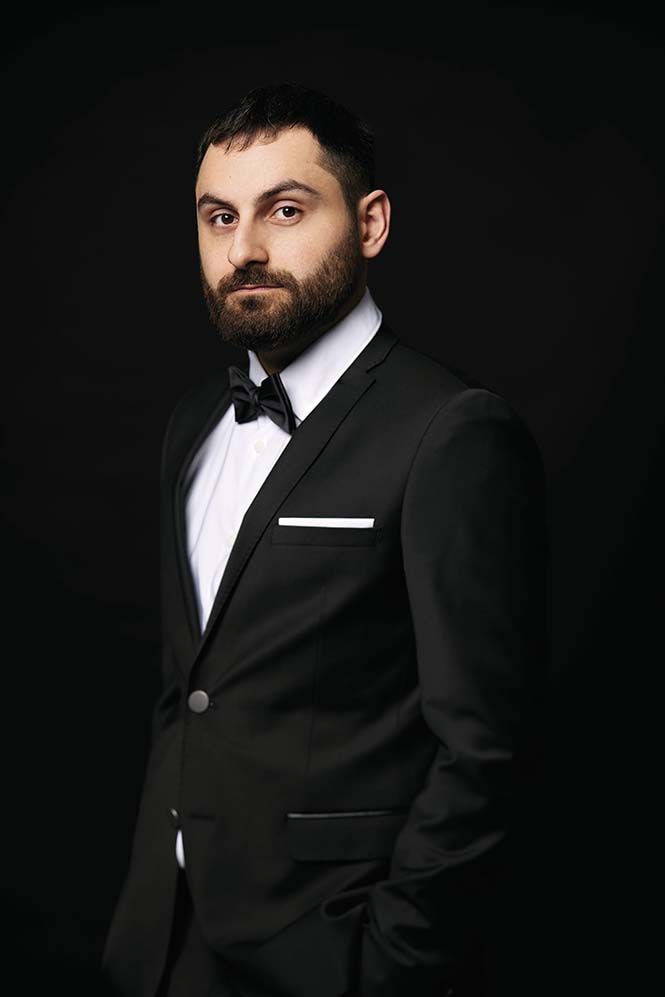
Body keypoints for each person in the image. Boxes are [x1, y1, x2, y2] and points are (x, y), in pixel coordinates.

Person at [101, 80, 549, 997]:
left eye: (285, 209)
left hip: (332, 947)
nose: (244, 248)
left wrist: (389, 958)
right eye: (219, 217)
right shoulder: (194, 423)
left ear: (370, 222)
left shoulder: (451, 432)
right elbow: (191, 691)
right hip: (165, 940)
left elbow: (487, 749)